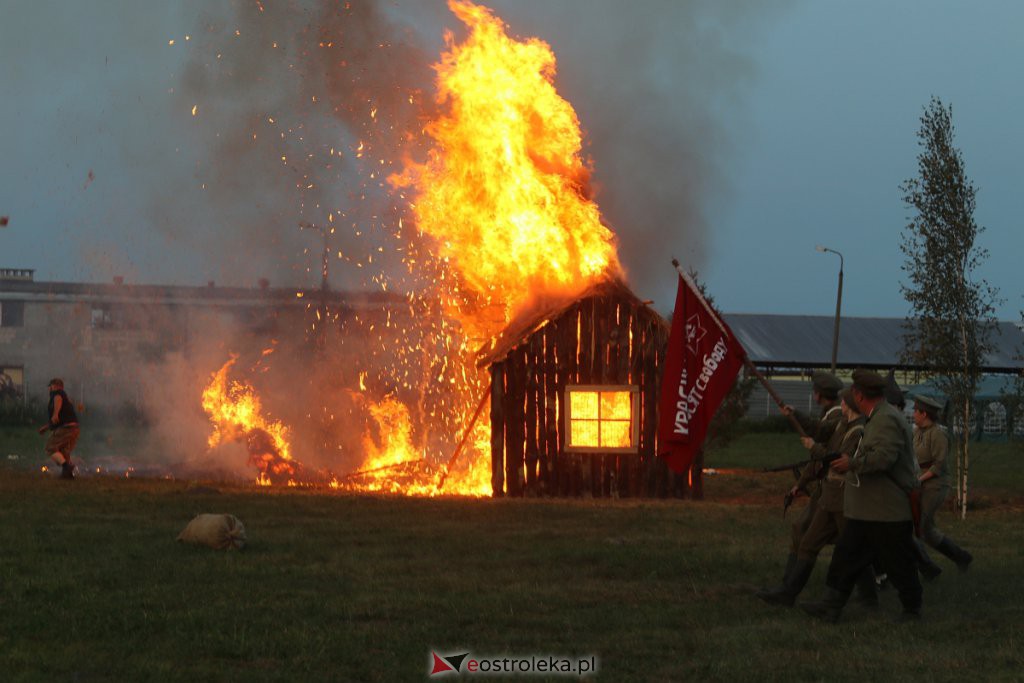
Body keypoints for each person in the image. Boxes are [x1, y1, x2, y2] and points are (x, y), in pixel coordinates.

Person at [801, 369, 923, 623]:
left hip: (886, 511)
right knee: (845, 556)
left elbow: (883, 458)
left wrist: (852, 463)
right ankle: (831, 605)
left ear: (859, 394)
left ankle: (912, 610)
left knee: (898, 563)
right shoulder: (877, 416)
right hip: (868, 509)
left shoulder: (885, 419)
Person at [757, 388, 873, 606]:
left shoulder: (857, 431)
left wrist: (814, 449)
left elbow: (838, 461)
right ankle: (788, 594)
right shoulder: (842, 424)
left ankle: (868, 598)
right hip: (829, 498)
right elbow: (820, 429)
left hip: (844, 500)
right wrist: (795, 414)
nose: (842, 405)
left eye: (845, 402)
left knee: (853, 548)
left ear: (850, 405)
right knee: (808, 543)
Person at [773, 371, 844, 584]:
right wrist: (800, 484)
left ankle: (789, 584)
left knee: (847, 542)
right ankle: (789, 583)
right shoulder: (830, 414)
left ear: (819, 394)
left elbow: (820, 440)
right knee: (804, 530)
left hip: (834, 488)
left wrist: (796, 416)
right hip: (826, 486)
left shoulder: (836, 416)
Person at [912, 394, 973, 571]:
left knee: (920, 527)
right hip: (919, 481)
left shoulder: (938, 434)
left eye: (916, 411)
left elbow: (939, 465)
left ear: (924, 414)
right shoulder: (917, 432)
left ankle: (927, 568)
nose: (913, 414)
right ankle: (961, 557)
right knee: (928, 530)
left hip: (935, 485)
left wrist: (919, 479)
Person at [38, 378, 79, 480]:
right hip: (74, 428)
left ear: (55, 385)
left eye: (50, 386)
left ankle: (67, 467)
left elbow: (58, 400)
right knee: (64, 452)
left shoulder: (57, 393)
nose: (49, 389)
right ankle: (68, 475)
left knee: (50, 448)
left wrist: (55, 413)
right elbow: (60, 417)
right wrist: (46, 427)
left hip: (66, 428)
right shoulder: (65, 397)